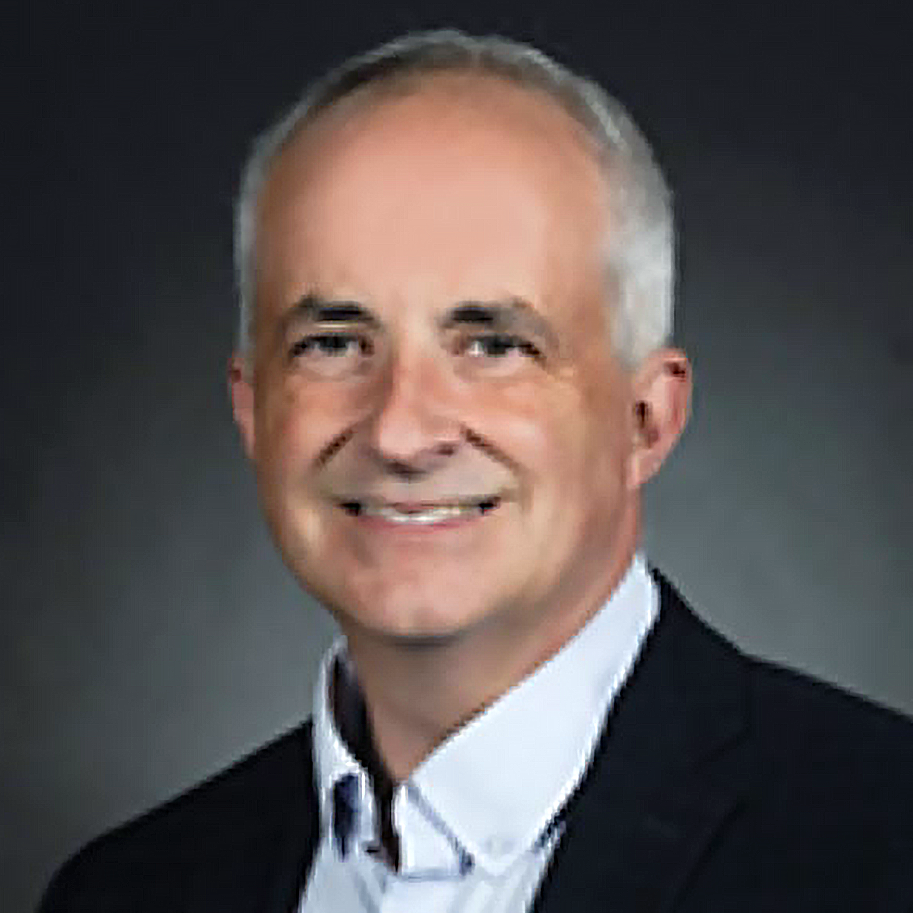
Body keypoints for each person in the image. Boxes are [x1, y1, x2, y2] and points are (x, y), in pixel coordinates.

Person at [39, 29, 913, 913]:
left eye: (495, 344)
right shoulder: (126, 889)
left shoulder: (882, 842)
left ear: (645, 420)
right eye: (334, 342)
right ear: (252, 411)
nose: (401, 431)